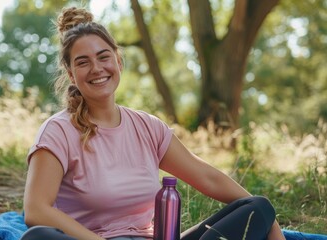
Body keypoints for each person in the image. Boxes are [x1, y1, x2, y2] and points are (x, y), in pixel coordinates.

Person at [21, 6, 286, 240]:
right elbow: (36, 210)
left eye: (103, 57)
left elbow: (208, 177)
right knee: (38, 237)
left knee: (257, 207)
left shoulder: (147, 127)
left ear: (118, 61)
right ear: (71, 74)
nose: (96, 68)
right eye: (83, 62)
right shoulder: (58, 132)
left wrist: (269, 219)